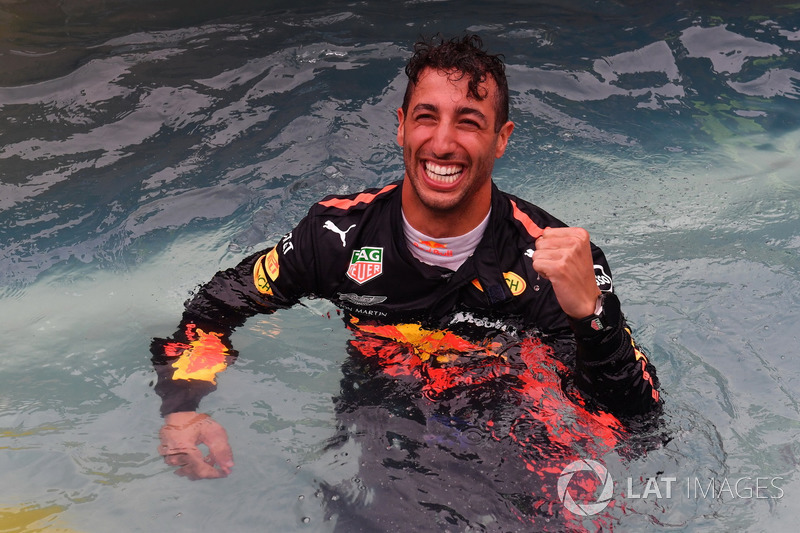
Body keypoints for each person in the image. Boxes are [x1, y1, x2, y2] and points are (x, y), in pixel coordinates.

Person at [151, 34, 661, 519]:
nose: (441, 143)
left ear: (501, 139)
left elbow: (640, 424)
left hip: (514, 440)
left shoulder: (551, 256)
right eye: (426, 117)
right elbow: (217, 307)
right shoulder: (336, 237)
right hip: (382, 435)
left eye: (468, 121)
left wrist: (592, 315)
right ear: (400, 126)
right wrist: (183, 403)